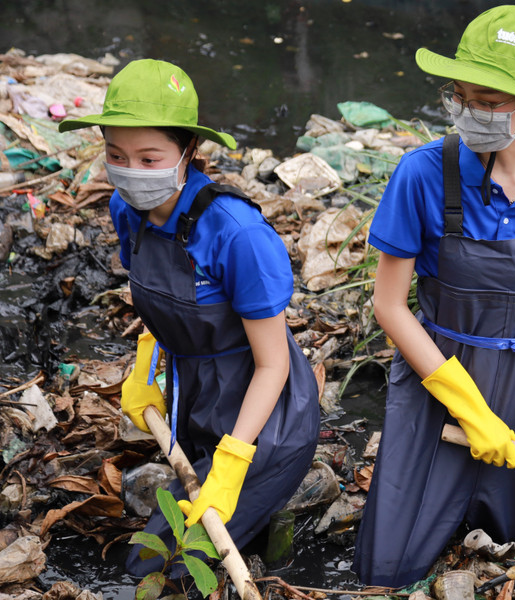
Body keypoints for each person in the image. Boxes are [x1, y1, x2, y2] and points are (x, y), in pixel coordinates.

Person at [352, 5, 515, 587]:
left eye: (491, 102)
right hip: (438, 378)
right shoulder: (423, 175)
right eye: (463, 96)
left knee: (513, 549)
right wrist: (467, 406)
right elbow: (390, 305)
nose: (472, 112)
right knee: (386, 567)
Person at [58, 59, 320, 577]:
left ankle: (269, 506)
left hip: (264, 417)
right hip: (192, 394)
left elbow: (273, 364)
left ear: (189, 153)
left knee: (152, 568)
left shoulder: (236, 234)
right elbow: (152, 300)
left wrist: (235, 459)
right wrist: (143, 369)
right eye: (116, 154)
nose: (130, 169)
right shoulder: (125, 210)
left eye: (149, 156)